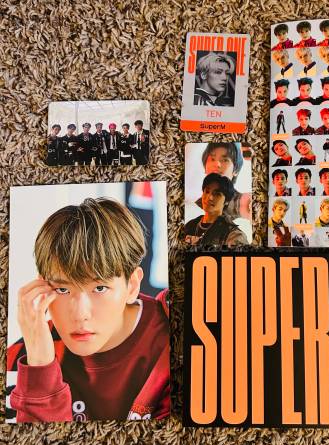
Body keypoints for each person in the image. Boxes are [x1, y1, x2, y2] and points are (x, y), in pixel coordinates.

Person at [7, 198, 170, 422]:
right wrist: (39, 370)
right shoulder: (21, 358)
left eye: (99, 288)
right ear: (42, 287)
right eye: (63, 289)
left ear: (132, 286)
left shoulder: (176, 342)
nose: (80, 314)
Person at [184, 173, 248, 247]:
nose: (209, 197)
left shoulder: (233, 234)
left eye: (217, 194)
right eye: (207, 191)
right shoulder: (190, 225)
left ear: (226, 201)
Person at [198, 143, 250, 221]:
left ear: (236, 170)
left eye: (225, 160)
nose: (217, 164)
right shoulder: (195, 203)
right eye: (212, 159)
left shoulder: (244, 202)